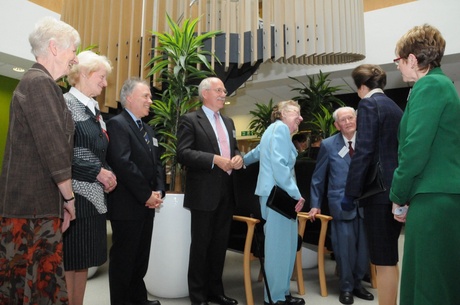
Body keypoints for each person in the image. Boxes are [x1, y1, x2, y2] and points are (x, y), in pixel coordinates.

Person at [0, 17, 79, 304]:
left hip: (33, 206)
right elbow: (54, 148)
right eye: (73, 50)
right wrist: (69, 200)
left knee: (24, 285)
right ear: (55, 47)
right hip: (32, 210)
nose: (75, 57)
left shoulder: (36, 82)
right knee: (31, 287)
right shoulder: (40, 83)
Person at [390, 24, 460, 305]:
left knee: (429, 286)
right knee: (440, 280)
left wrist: (398, 195)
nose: (397, 67)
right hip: (441, 196)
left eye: (398, 60)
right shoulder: (443, 85)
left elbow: (414, 150)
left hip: (433, 199)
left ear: (413, 59)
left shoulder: (429, 85)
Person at [177, 77, 243, 305]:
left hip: (227, 192)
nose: (224, 93)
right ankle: (198, 296)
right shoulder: (190, 120)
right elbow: (183, 153)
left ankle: (216, 291)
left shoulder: (229, 122)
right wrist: (215, 160)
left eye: (224, 90)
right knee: (201, 247)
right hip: (204, 194)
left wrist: (238, 158)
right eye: (219, 90)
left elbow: (233, 148)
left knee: (219, 247)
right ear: (205, 93)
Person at [342, 64, 403, 305]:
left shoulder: (368, 104)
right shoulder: (394, 107)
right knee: (390, 257)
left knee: (383, 260)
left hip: (377, 193)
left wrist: (351, 192)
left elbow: (364, 151)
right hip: (393, 189)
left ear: (362, 87)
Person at [106, 77, 165, 305]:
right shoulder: (117, 124)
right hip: (127, 206)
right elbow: (123, 164)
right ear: (129, 98)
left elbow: (157, 163)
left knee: (140, 260)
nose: (150, 100)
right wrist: (146, 195)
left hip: (147, 205)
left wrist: (158, 191)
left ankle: (138, 300)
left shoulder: (148, 129)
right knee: (124, 261)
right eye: (146, 96)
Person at [63, 50, 116, 305]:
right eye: (102, 76)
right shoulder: (65, 105)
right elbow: (60, 155)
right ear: (83, 74)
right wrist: (96, 172)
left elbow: (99, 154)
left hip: (94, 200)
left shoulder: (96, 112)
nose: (105, 83)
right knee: (69, 262)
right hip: (73, 199)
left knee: (82, 262)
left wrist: (109, 173)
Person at [308, 106, 373, 305]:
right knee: (344, 250)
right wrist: (315, 204)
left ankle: (357, 284)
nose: (347, 122)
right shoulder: (328, 145)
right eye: (342, 120)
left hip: (366, 204)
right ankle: (345, 287)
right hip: (341, 204)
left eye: (350, 118)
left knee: (363, 250)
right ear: (337, 125)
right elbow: (318, 178)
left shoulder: (368, 141)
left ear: (357, 119)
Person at [243, 100, 305, 305]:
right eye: (296, 113)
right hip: (279, 196)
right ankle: (275, 298)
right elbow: (279, 166)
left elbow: (258, 153)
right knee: (278, 248)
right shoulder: (279, 129)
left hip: (276, 196)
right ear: (283, 114)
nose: (300, 118)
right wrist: (297, 194)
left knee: (285, 246)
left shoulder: (273, 131)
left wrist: (240, 161)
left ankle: (282, 293)